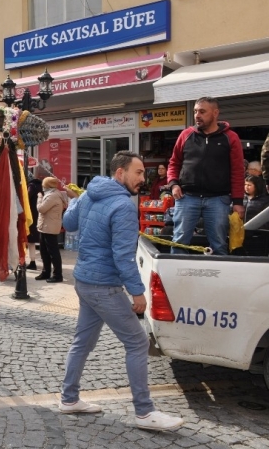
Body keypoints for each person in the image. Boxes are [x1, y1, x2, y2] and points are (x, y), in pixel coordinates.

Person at [59, 150, 183, 431]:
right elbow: (122, 256)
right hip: (103, 284)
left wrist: (75, 201)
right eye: (138, 173)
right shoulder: (123, 205)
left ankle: (69, 399)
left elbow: (68, 223)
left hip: (84, 281)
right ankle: (144, 411)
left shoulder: (91, 193)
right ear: (120, 173)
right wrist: (137, 292)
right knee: (138, 342)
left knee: (83, 341)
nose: (143, 178)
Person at [167, 97, 245, 255]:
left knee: (219, 244)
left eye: (202, 111)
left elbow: (238, 171)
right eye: (195, 111)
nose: (197, 115)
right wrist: (174, 184)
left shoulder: (231, 138)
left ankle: (220, 278)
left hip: (218, 199)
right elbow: (173, 163)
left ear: (215, 113)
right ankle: (177, 279)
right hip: (186, 197)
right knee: (179, 242)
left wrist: (238, 201)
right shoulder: (186, 135)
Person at [35, 177, 67, 283]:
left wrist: (39, 198)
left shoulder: (52, 195)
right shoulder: (52, 193)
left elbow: (41, 208)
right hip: (45, 226)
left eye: (44, 185)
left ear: (47, 185)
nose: (42, 187)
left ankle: (57, 275)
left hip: (50, 227)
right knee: (44, 251)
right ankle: (46, 272)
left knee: (53, 252)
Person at [26, 167, 44, 271]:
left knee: (31, 241)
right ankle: (43, 260)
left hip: (32, 216)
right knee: (40, 240)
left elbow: (26, 198)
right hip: (40, 216)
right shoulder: (41, 186)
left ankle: (32, 262)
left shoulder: (31, 186)